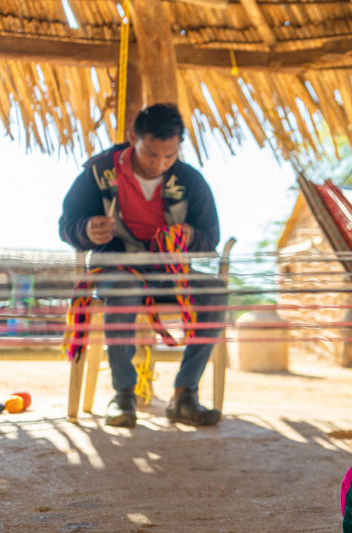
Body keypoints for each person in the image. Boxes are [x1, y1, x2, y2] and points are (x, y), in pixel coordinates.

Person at [59, 103, 228, 428]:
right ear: (132, 137)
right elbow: (67, 225)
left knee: (214, 290)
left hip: (170, 273)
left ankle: (184, 394)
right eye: (152, 154)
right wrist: (86, 230)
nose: (160, 163)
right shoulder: (98, 173)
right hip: (116, 270)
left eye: (170, 155)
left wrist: (191, 234)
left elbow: (211, 237)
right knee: (125, 287)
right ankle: (123, 395)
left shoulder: (190, 180)